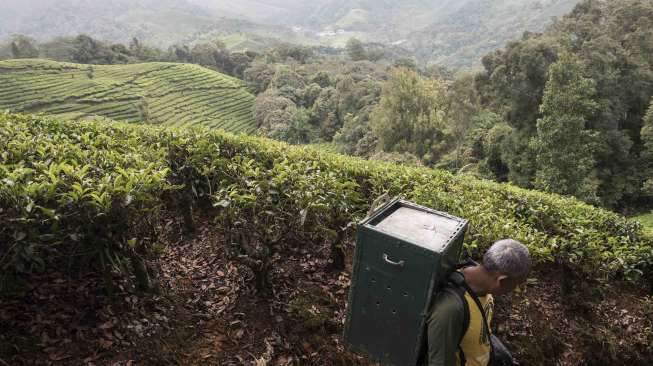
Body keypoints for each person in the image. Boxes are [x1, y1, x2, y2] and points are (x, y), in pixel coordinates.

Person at [425, 239, 531, 366]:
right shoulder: (450, 310)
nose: (515, 290)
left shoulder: (486, 286)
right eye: (516, 285)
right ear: (502, 281)